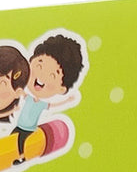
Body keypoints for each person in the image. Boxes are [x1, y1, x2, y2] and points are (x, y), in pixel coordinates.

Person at [13, 32, 86, 163]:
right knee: (13, 138)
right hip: (19, 126)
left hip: (29, 130)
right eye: (39, 66)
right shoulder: (28, 97)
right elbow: (21, 94)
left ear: (62, 89)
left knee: (23, 143)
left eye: (52, 75)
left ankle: (21, 157)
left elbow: (53, 106)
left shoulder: (41, 104)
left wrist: (68, 101)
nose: (42, 75)